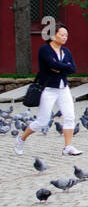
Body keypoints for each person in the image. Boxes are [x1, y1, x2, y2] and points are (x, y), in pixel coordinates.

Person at [15, 22, 81, 157]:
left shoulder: (66, 51)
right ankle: (21, 139)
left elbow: (72, 68)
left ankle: (67, 147)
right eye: (61, 34)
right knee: (42, 121)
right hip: (48, 89)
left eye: (66, 35)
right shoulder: (44, 50)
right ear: (53, 35)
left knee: (69, 117)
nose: (64, 37)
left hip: (63, 88)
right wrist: (63, 66)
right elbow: (51, 64)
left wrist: (59, 68)